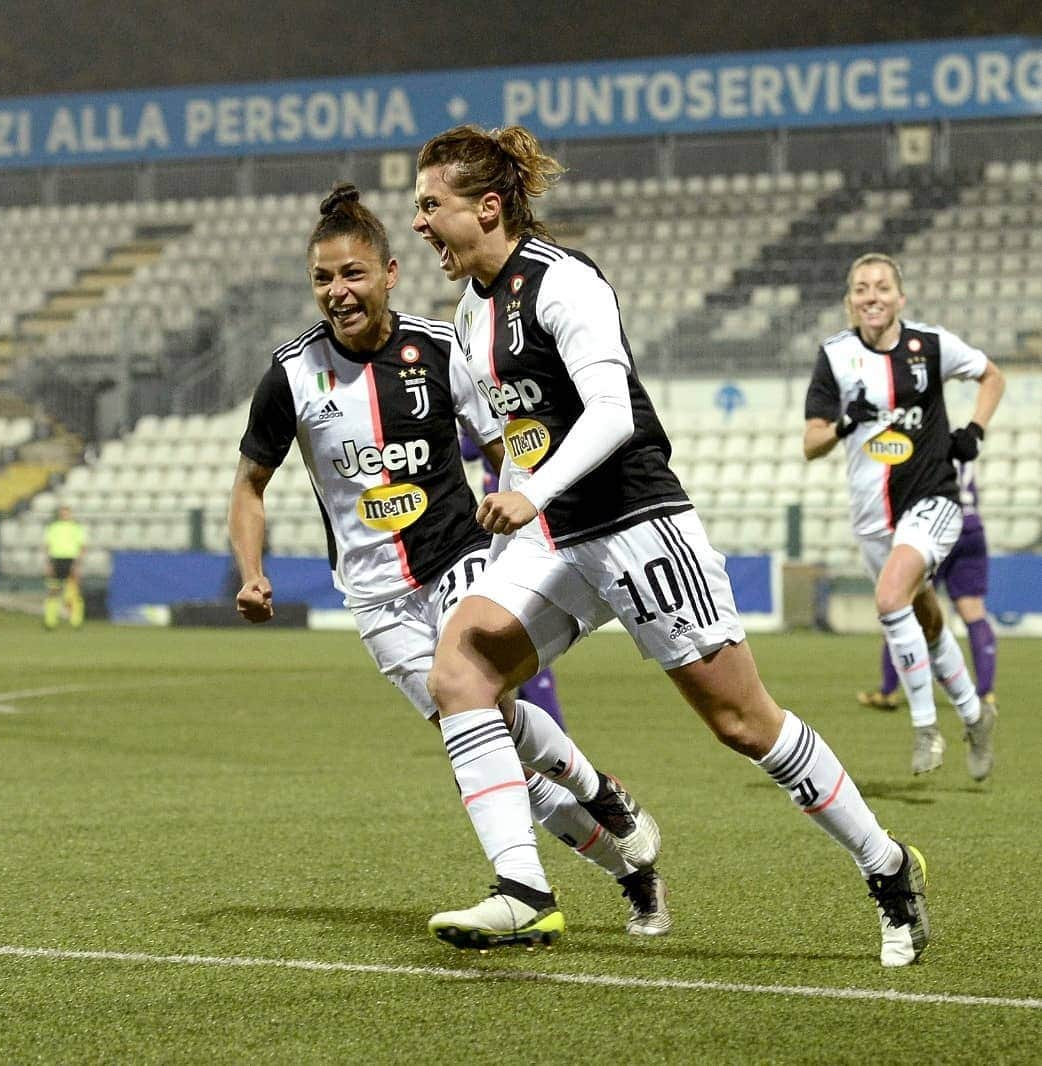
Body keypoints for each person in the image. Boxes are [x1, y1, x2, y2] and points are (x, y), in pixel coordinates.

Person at [412, 124, 929, 967]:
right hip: (559, 534)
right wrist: (511, 484)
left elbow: (611, 415)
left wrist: (527, 491)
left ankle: (887, 865)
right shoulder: (472, 310)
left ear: (489, 206)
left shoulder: (564, 282)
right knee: (459, 668)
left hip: (635, 524)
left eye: (432, 206)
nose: (422, 224)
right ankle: (523, 888)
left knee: (741, 721)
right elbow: (525, 426)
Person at [228, 183, 670, 943]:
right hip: (373, 597)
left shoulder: (441, 349)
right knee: (491, 740)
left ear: (390, 271)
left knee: (473, 704)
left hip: (459, 561)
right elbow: (249, 484)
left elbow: (506, 446)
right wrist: (250, 570)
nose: (338, 292)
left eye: (353, 274)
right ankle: (621, 847)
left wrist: (521, 516)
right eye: (323, 279)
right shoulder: (291, 375)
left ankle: (522, 889)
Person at [804, 252, 1004, 781]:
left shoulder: (931, 345)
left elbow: (991, 376)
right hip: (873, 517)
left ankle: (925, 727)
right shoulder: (835, 357)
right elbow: (812, 442)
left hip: (933, 500)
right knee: (928, 620)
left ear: (900, 297)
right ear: (851, 302)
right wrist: (847, 421)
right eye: (862, 288)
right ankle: (974, 715)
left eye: (882, 287)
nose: (872, 296)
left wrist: (975, 431)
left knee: (891, 599)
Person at [857, 458, 998, 714]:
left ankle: (888, 690)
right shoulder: (960, 445)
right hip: (971, 527)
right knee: (974, 611)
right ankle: (986, 693)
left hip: (937, 525)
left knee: (900, 601)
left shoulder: (926, 445)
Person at [460, 429, 566, 729]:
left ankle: (547, 730)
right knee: (516, 634)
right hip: (515, 518)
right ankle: (539, 729)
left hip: (508, 520)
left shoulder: (490, 415)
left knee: (512, 633)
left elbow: (468, 451)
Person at [43, 504, 86, 629]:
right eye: (62, 513)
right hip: (56, 560)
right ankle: (50, 621)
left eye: (67, 513)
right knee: (53, 591)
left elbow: (82, 547)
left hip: (71, 560)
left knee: (73, 592)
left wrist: (77, 563)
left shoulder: (76, 528)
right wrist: (48, 563)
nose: (64, 515)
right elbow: (48, 546)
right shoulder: (53, 528)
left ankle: (76, 621)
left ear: (70, 514)